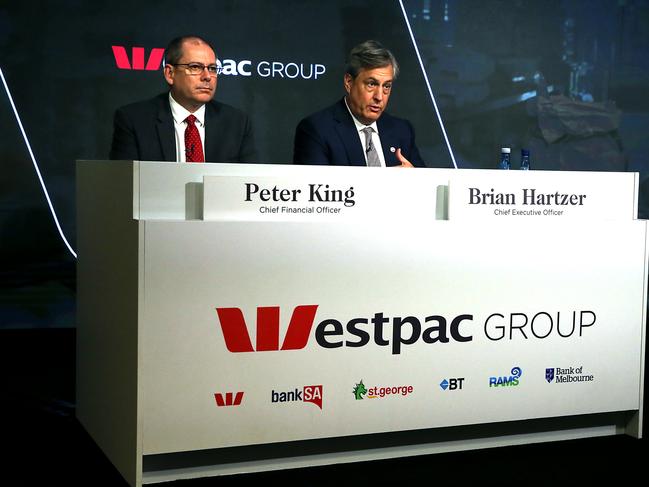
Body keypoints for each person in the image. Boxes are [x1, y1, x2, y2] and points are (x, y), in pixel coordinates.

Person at [109, 35, 256, 163]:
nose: (207, 76)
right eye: (195, 67)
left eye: (212, 68)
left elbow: (248, 186)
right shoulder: (134, 120)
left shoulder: (236, 123)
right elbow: (124, 184)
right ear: (170, 74)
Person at [293, 40, 424, 167]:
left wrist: (413, 177)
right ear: (349, 82)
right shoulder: (317, 130)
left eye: (386, 86)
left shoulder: (402, 130)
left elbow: (426, 183)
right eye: (371, 84)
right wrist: (388, 182)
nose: (379, 97)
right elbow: (317, 188)